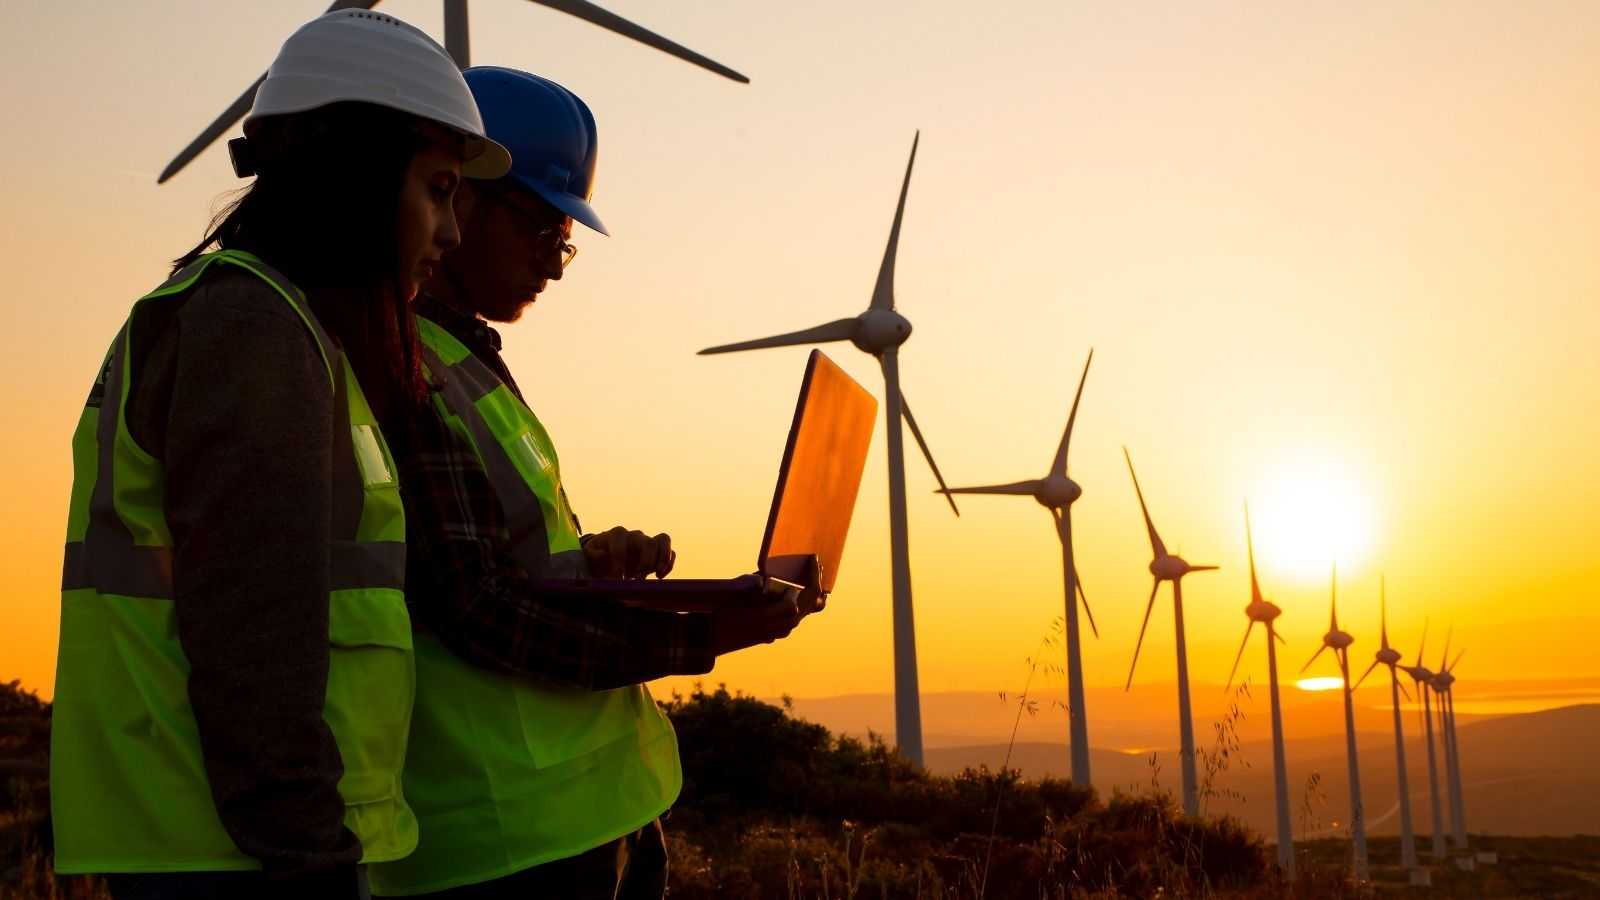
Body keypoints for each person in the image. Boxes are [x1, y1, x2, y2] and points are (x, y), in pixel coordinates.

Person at [50, 11, 511, 899]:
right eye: (439, 188)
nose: (450, 232)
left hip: (234, 843)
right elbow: (255, 636)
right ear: (359, 177)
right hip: (238, 854)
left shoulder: (278, 327)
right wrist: (309, 859)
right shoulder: (252, 330)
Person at [367, 67, 823, 900]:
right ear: (455, 195)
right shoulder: (401, 366)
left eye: (563, 240)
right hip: (503, 838)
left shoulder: (466, 361)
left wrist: (588, 564)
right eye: (542, 230)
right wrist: (705, 633)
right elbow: (471, 605)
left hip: (586, 819)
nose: (557, 264)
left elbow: (500, 556)